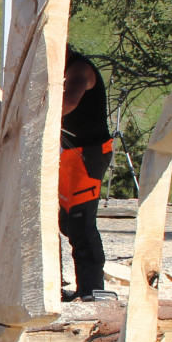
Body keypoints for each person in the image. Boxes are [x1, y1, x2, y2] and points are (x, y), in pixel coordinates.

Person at [59, 50, 114, 301]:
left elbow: (68, 103)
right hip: (71, 155)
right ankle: (83, 288)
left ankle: (93, 290)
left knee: (81, 223)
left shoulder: (79, 69)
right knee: (67, 221)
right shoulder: (64, 69)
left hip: (88, 155)